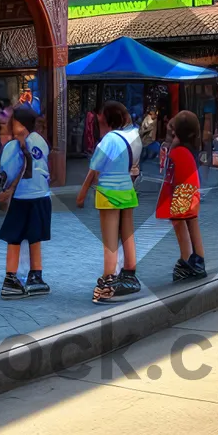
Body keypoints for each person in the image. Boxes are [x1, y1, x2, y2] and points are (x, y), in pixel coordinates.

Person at [76, 100, 141, 302]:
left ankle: (108, 280)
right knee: (127, 234)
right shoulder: (133, 137)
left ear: (106, 120)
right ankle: (129, 274)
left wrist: (82, 193)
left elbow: (94, 170)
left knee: (110, 241)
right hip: (128, 190)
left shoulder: (108, 140)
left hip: (108, 192)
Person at [0, 105, 52, 298]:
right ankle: (36, 275)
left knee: (15, 238)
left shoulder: (12, 147)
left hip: (20, 197)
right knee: (35, 237)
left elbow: (7, 171)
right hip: (41, 195)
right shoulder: (40, 141)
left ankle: (10, 278)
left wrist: (4, 189)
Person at [156, 109, 205, 281]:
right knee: (192, 221)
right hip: (190, 189)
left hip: (181, 191)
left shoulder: (177, 151)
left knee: (179, 222)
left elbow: (174, 175)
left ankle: (186, 259)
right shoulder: (190, 149)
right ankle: (198, 260)